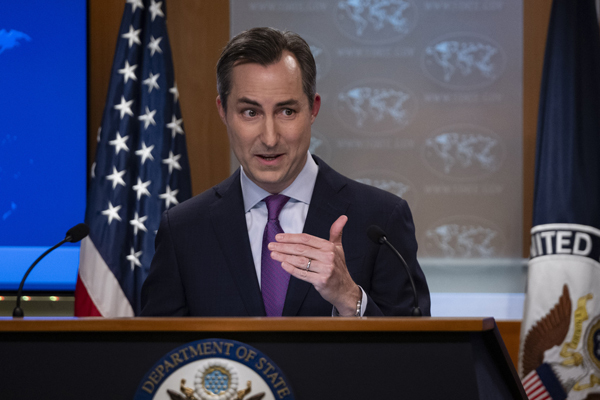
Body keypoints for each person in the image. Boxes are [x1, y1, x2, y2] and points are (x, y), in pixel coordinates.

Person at [141, 27, 430, 317]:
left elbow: (417, 344)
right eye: (250, 112)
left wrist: (350, 298)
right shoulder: (183, 230)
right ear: (223, 111)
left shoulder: (381, 220)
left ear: (313, 109)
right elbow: (157, 345)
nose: (269, 138)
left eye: (287, 112)